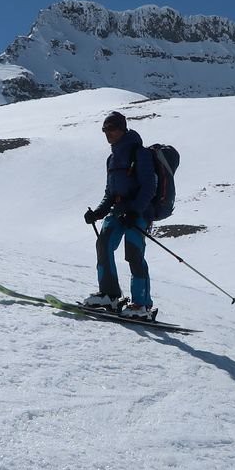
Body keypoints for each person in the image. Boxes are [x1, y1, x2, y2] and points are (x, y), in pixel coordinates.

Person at [83, 111, 157, 317]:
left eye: (112, 129)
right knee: (103, 244)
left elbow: (149, 187)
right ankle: (110, 296)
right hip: (118, 212)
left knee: (134, 254)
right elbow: (110, 193)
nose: (108, 133)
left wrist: (135, 211)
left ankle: (141, 305)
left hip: (138, 213)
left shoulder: (139, 153)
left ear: (123, 129)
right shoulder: (112, 159)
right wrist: (98, 213)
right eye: (105, 130)